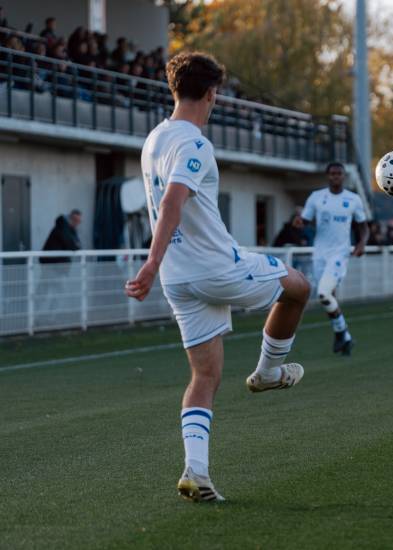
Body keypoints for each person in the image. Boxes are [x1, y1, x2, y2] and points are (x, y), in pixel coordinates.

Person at [125, 52, 311, 503]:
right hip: (215, 267)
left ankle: (196, 472)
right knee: (299, 287)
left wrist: (157, 267)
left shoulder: (154, 139)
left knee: (204, 375)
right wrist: (149, 261)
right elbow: (172, 202)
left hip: (179, 279)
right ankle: (267, 373)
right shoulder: (195, 143)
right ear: (211, 95)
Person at [293, 162, 369, 356]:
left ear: (344, 176)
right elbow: (307, 220)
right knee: (329, 297)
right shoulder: (317, 197)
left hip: (340, 253)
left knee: (323, 294)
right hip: (319, 253)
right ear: (327, 176)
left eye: (339, 174)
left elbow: (363, 226)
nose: (336, 176)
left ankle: (342, 333)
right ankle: (344, 337)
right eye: (332, 174)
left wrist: (361, 243)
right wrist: (300, 222)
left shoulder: (353, 199)